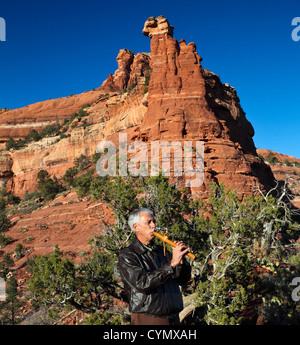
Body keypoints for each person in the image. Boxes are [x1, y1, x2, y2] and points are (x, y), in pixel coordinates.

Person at [118, 208, 191, 325]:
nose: (154, 225)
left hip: (173, 317)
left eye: (154, 221)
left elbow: (182, 280)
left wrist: (181, 262)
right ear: (136, 227)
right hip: (148, 317)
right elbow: (142, 283)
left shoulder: (162, 251)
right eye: (149, 222)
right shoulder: (128, 255)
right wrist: (171, 264)